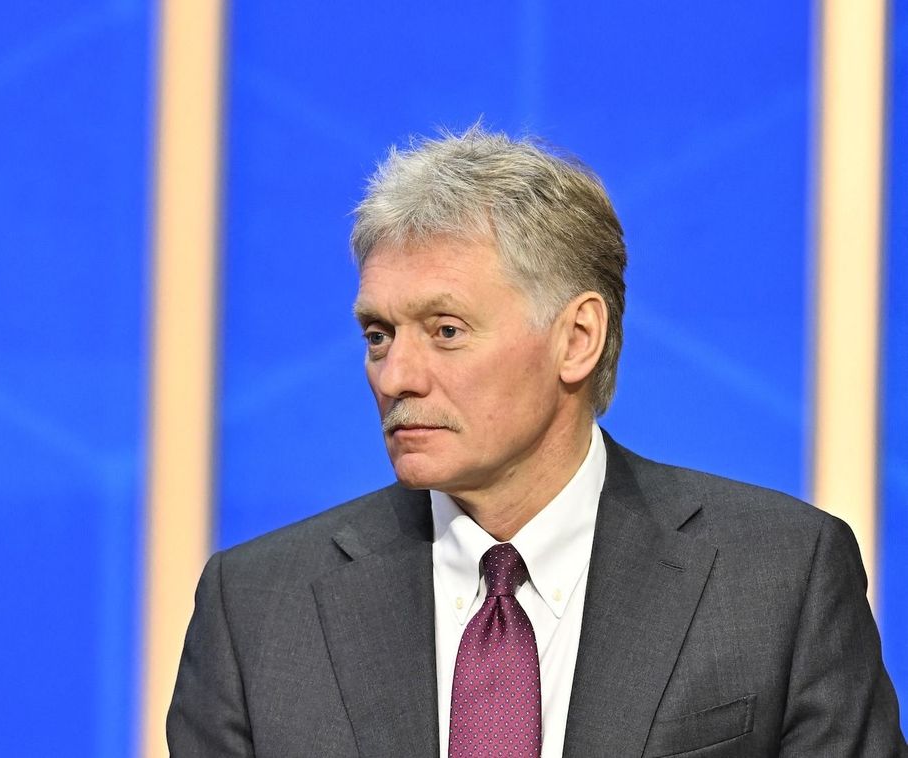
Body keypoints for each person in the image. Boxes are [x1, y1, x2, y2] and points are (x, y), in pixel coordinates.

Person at [167, 125, 907, 757]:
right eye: (378, 334)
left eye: (445, 330)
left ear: (577, 338)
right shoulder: (256, 609)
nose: (395, 376)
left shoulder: (779, 577)